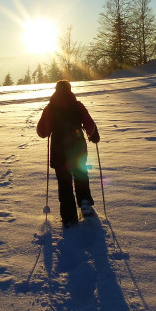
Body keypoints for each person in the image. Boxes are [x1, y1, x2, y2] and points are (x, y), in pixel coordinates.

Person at [36, 80, 100, 227]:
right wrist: (93, 135)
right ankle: (85, 205)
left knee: (64, 184)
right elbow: (90, 125)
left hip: (60, 154)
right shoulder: (78, 106)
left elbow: (42, 132)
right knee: (81, 175)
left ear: (56, 90)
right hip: (78, 151)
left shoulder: (50, 108)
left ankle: (69, 217)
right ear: (70, 90)